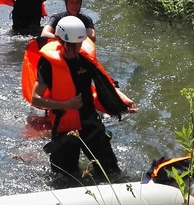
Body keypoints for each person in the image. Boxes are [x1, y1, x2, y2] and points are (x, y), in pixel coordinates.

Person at [30, 16, 137, 186]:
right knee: (65, 180)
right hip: (64, 129)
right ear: (59, 40)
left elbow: (104, 82)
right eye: (69, 45)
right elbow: (35, 98)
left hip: (90, 123)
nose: (73, 50)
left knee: (112, 173)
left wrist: (122, 100)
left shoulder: (84, 57)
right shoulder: (48, 64)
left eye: (77, 45)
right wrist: (66, 105)